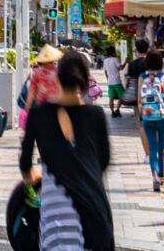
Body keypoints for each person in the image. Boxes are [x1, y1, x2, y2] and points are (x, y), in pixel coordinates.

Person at [20, 50, 114, 251]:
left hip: (56, 213)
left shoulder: (38, 115)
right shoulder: (96, 114)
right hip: (94, 209)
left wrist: (38, 178)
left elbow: (25, 164)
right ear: (85, 80)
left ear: (59, 77)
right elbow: (104, 161)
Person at [132, 48, 164, 193]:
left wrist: (143, 114)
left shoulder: (142, 77)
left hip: (148, 117)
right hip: (163, 116)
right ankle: (161, 175)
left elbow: (139, 100)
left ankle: (155, 177)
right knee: (162, 147)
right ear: (161, 62)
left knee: (152, 149)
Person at [19, 45, 62, 129]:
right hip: (56, 106)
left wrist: (28, 107)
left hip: (40, 107)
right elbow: (62, 90)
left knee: (41, 131)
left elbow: (31, 91)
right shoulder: (59, 72)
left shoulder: (36, 73)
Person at [101, 50, 124, 117]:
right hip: (117, 81)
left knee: (111, 98)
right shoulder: (115, 59)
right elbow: (121, 68)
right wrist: (125, 62)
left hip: (110, 82)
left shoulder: (105, 61)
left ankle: (112, 112)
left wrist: (108, 78)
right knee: (122, 96)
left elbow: (105, 71)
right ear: (113, 53)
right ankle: (117, 109)